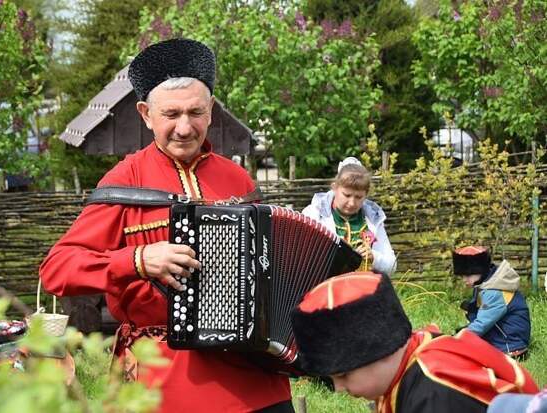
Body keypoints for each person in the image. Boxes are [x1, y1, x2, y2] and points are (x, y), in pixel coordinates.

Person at [39, 38, 292, 412]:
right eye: (171, 114)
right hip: (163, 374)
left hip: (253, 373)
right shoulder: (125, 181)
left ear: (211, 112)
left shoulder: (238, 179)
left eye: (196, 112)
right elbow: (56, 269)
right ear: (146, 114)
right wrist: (137, 260)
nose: (185, 128)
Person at [290, 271, 539, 413]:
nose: (339, 388)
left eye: (343, 375)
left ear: (379, 349)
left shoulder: (435, 395)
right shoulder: (413, 353)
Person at [302, 157, 396, 275]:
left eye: (358, 197)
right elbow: (300, 258)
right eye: (347, 195)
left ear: (366, 195)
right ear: (334, 188)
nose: (352, 203)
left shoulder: (373, 219)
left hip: (363, 287)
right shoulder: (313, 215)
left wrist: (374, 257)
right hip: (325, 288)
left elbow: (392, 265)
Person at [453, 245, 531, 358]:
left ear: (480, 270)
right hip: (501, 337)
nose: (465, 280)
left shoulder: (494, 291)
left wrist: (456, 339)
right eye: (462, 275)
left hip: (510, 346)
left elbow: (481, 325)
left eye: (468, 275)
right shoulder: (485, 282)